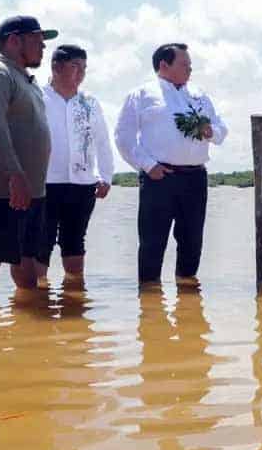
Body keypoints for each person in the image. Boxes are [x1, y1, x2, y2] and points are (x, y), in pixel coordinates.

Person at [114, 43, 227, 285]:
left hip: (195, 178)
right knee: (152, 243)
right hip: (159, 178)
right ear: (164, 65)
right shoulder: (142, 95)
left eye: (190, 64)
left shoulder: (199, 95)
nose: (190, 69)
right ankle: (150, 305)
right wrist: (147, 165)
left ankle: (188, 306)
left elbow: (221, 130)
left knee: (192, 241)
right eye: (184, 64)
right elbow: (123, 137)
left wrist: (210, 131)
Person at [0, 15, 57, 297]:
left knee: (26, 258)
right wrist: (14, 174)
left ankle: (28, 331)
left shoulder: (24, 79)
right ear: (14, 40)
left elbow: (19, 127)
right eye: (37, 41)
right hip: (0, 190)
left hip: (31, 190)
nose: (43, 47)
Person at [38, 44, 115, 283]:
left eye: (84, 68)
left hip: (82, 184)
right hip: (45, 183)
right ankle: (37, 302)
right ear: (56, 67)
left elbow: (102, 141)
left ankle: (74, 297)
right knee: (41, 241)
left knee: (74, 241)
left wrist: (105, 176)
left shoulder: (89, 102)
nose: (80, 73)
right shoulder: (37, 96)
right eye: (75, 66)